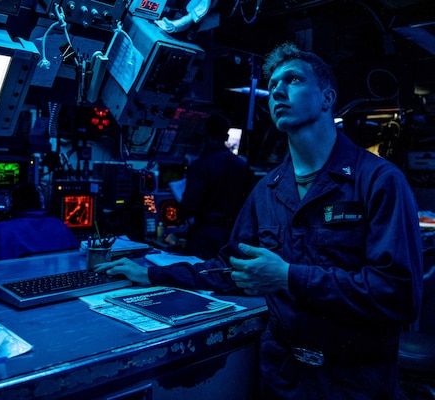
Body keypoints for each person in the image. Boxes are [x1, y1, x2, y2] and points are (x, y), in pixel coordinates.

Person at [95, 42, 424, 399]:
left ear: (327, 99)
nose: (278, 90)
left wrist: (287, 276)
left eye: (294, 79)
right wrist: (151, 273)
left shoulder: (377, 181)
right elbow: (228, 266)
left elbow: (399, 294)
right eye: (275, 85)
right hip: (281, 378)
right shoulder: (268, 190)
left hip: (353, 382)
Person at [176, 112, 253, 260]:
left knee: (200, 274)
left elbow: (190, 205)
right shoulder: (242, 166)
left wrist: (179, 213)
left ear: (206, 135)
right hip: (233, 233)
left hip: (205, 236)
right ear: (226, 136)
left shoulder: (200, 166)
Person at [0, 182, 79, 262]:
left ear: (10, 205)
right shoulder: (59, 226)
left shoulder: (1, 230)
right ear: (40, 202)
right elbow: (77, 255)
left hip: (14, 288)